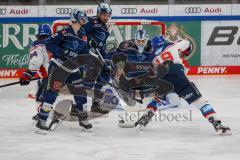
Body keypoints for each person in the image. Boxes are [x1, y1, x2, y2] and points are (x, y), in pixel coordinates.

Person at [135, 36, 231, 135]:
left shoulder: (153, 58)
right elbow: (187, 43)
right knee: (198, 101)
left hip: (162, 81)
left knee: (156, 99)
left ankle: (146, 116)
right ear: (163, 42)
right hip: (177, 76)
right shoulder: (171, 45)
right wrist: (181, 48)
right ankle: (216, 122)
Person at [36, 9, 91, 131]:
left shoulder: (83, 37)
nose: (84, 20)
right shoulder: (64, 33)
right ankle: (42, 119)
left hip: (73, 69)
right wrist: (62, 52)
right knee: (52, 93)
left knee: (81, 93)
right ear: (75, 18)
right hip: (58, 67)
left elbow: (84, 54)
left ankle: (83, 119)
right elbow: (49, 43)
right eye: (82, 18)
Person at [81, 3, 112, 115]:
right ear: (98, 13)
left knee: (104, 76)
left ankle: (96, 104)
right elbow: (81, 31)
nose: (106, 17)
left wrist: (105, 57)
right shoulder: (91, 21)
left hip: (99, 55)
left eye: (108, 15)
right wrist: (88, 40)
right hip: (89, 56)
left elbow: (101, 44)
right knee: (88, 82)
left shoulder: (104, 25)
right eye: (104, 14)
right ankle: (78, 106)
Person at [19, 24, 52, 120]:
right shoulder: (56, 42)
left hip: (48, 78)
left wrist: (28, 74)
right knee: (43, 87)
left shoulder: (36, 45)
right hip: (63, 74)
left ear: (37, 35)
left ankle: (45, 115)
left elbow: (36, 61)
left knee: (40, 97)